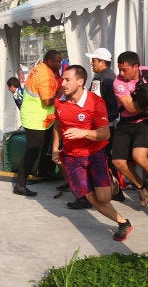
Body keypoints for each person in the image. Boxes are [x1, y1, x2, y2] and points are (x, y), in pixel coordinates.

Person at [51, 65, 133, 241]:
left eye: (67, 79)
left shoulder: (95, 102)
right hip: (72, 158)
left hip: (94, 154)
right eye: (62, 79)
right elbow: (57, 125)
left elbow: (105, 133)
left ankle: (113, 182)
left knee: (103, 197)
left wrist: (83, 133)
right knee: (91, 197)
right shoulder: (59, 101)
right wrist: (55, 149)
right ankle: (123, 223)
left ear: (80, 82)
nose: (62, 83)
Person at [111, 51, 148, 210]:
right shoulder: (118, 83)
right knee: (118, 162)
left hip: (145, 122)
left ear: (136, 67)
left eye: (124, 70)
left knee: (139, 157)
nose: (121, 73)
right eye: (119, 69)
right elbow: (130, 107)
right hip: (126, 122)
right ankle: (141, 187)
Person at [13, 50, 62, 196]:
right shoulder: (45, 75)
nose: (60, 65)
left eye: (60, 61)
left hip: (41, 117)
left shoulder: (40, 68)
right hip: (36, 118)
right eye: (57, 62)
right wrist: (61, 94)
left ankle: (45, 171)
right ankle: (20, 184)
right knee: (33, 150)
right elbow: (47, 101)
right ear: (49, 61)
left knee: (47, 143)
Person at [85, 47, 125, 205]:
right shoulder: (112, 76)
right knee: (107, 157)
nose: (92, 63)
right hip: (110, 123)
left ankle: (94, 195)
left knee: (96, 159)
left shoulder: (100, 78)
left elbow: (93, 101)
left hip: (101, 125)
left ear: (102, 62)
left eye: (94, 60)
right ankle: (116, 191)